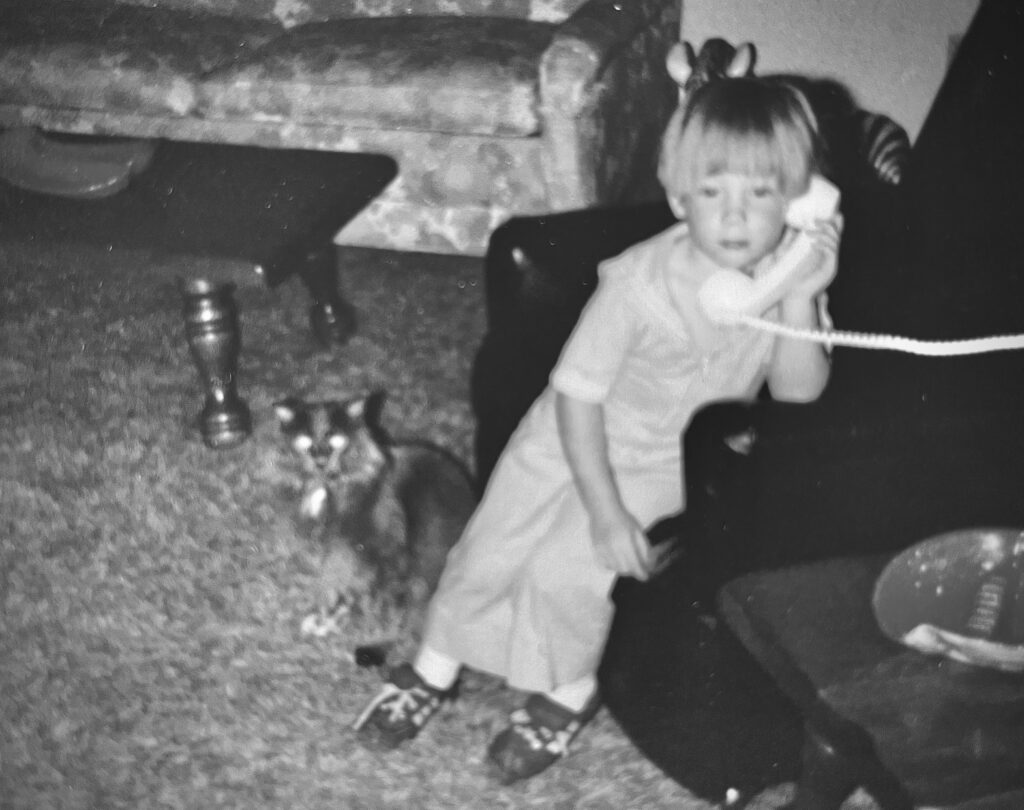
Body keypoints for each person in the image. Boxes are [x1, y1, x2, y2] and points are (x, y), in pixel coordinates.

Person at [353, 76, 842, 783]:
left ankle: (567, 691)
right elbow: (578, 402)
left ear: (799, 197)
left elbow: (801, 392)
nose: (736, 217)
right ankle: (433, 668)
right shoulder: (636, 284)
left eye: (762, 194)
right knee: (489, 550)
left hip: (664, 459)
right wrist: (604, 508)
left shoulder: (783, 278)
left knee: (570, 573)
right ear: (678, 196)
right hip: (568, 435)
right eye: (713, 193)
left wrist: (800, 296)